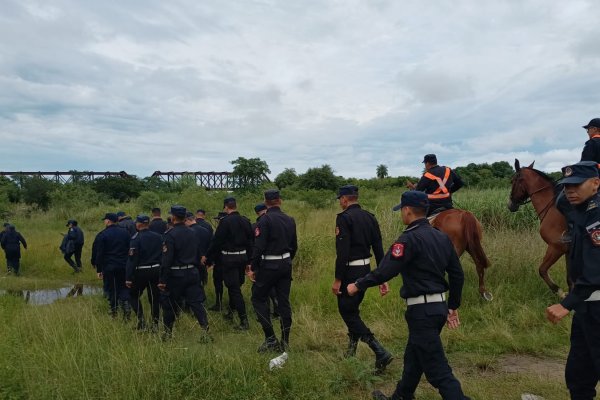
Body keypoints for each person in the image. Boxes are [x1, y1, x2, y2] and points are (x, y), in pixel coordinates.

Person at [347, 191, 469, 400]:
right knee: (414, 357)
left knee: (438, 371)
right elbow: (457, 274)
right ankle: (401, 396)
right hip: (438, 309)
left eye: (401, 210)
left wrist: (358, 284)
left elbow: (386, 271)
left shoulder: (408, 239)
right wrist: (452, 305)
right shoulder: (442, 237)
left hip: (422, 312)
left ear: (407, 211)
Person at [546, 161, 600, 399]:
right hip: (586, 308)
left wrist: (566, 304)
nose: (570, 191)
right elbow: (560, 201)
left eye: (576, 185)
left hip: (595, 304)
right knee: (578, 375)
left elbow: (595, 269)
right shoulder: (583, 211)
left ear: (596, 183)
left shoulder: (597, 216)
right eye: (566, 186)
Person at [332, 185, 392, 373]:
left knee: (347, 312)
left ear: (344, 199)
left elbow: (342, 253)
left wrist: (337, 279)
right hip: (366, 270)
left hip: (350, 272)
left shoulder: (344, 218)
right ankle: (351, 351)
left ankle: (378, 350)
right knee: (353, 310)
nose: (340, 202)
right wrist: (382, 277)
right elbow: (379, 249)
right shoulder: (370, 217)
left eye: (340, 199)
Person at [247, 189, 297, 352]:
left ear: (266, 202)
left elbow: (259, 247)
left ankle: (270, 338)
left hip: (269, 265)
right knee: (284, 302)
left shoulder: (265, 220)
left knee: (258, 298)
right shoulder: (290, 220)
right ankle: (285, 341)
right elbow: (294, 246)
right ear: (279, 201)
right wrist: (287, 261)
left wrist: (253, 267)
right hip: (286, 264)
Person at [158, 205, 210, 342]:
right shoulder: (193, 232)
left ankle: (167, 333)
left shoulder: (169, 235)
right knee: (196, 303)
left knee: (169, 305)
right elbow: (198, 253)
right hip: (192, 272)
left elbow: (167, 259)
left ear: (173, 217)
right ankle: (206, 331)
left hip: (175, 275)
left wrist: (162, 280)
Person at [206, 197, 253, 331]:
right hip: (243, 257)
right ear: (235, 206)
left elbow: (216, 242)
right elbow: (251, 242)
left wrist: (208, 258)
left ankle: (244, 321)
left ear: (226, 207)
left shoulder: (225, 222)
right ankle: (231, 313)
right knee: (236, 285)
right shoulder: (245, 220)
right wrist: (249, 261)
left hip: (229, 259)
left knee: (234, 289)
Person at [125, 215, 163, 331]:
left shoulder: (136, 238)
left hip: (141, 271)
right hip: (156, 270)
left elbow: (132, 260)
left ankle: (141, 321)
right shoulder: (159, 237)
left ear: (139, 224)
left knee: (133, 295)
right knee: (155, 298)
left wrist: (128, 277)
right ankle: (155, 324)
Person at [95, 213, 132, 319]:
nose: (104, 222)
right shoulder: (125, 233)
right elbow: (130, 249)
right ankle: (126, 306)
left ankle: (114, 311)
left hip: (109, 267)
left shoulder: (103, 234)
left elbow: (100, 254)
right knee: (124, 287)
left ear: (108, 221)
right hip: (124, 266)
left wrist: (99, 269)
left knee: (112, 289)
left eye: (105, 220)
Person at [254, 203, 279, 319]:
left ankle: (264, 314)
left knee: (262, 288)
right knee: (274, 287)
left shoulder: (258, 224)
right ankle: (277, 309)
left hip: (264, 261)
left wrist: (253, 264)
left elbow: (258, 246)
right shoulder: (280, 220)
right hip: (281, 259)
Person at [207, 212, 227, 312]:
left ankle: (218, 303)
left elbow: (214, 246)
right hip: (230, 261)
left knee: (218, 282)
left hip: (220, 261)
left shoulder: (220, 231)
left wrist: (209, 260)